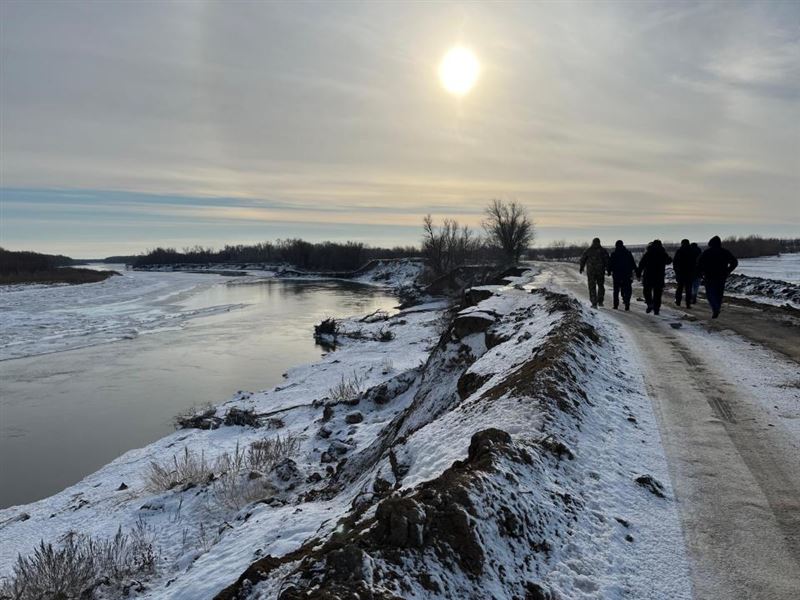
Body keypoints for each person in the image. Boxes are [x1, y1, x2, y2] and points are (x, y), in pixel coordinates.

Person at [696, 235, 738, 318]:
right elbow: (734, 262)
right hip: (721, 276)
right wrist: (728, 271)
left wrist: (701, 273)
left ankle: (715, 308)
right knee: (719, 294)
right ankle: (717, 307)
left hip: (709, 276)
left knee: (710, 294)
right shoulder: (725, 252)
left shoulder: (707, 252)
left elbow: (699, 264)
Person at [636, 239, 672, 315]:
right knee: (657, 294)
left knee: (647, 292)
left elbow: (641, 264)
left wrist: (638, 274)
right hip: (659, 277)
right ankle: (656, 310)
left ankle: (650, 303)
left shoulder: (648, 253)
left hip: (648, 276)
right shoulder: (662, 253)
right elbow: (668, 261)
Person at [579, 238, 609, 308]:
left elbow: (583, 259)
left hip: (591, 272)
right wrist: (608, 269)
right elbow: (607, 261)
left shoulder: (588, 250)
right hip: (600, 271)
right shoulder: (603, 251)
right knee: (601, 286)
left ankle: (594, 302)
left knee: (592, 287)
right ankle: (600, 301)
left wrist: (581, 267)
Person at [607, 240, 636, 310]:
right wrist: (636, 271)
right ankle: (627, 304)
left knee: (616, 290)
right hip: (627, 274)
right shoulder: (628, 253)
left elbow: (610, 264)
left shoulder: (614, 254)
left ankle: (615, 305)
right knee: (627, 289)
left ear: (616, 246)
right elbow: (633, 264)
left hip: (617, 275)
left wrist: (609, 271)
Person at [672, 239, 700, 308]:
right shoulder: (692, 252)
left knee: (679, 288)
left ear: (682, 244)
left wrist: (676, 271)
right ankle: (688, 304)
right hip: (690, 273)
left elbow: (675, 262)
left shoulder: (679, 251)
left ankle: (678, 301)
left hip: (681, 273)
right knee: (688, 289)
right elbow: (695, 263)